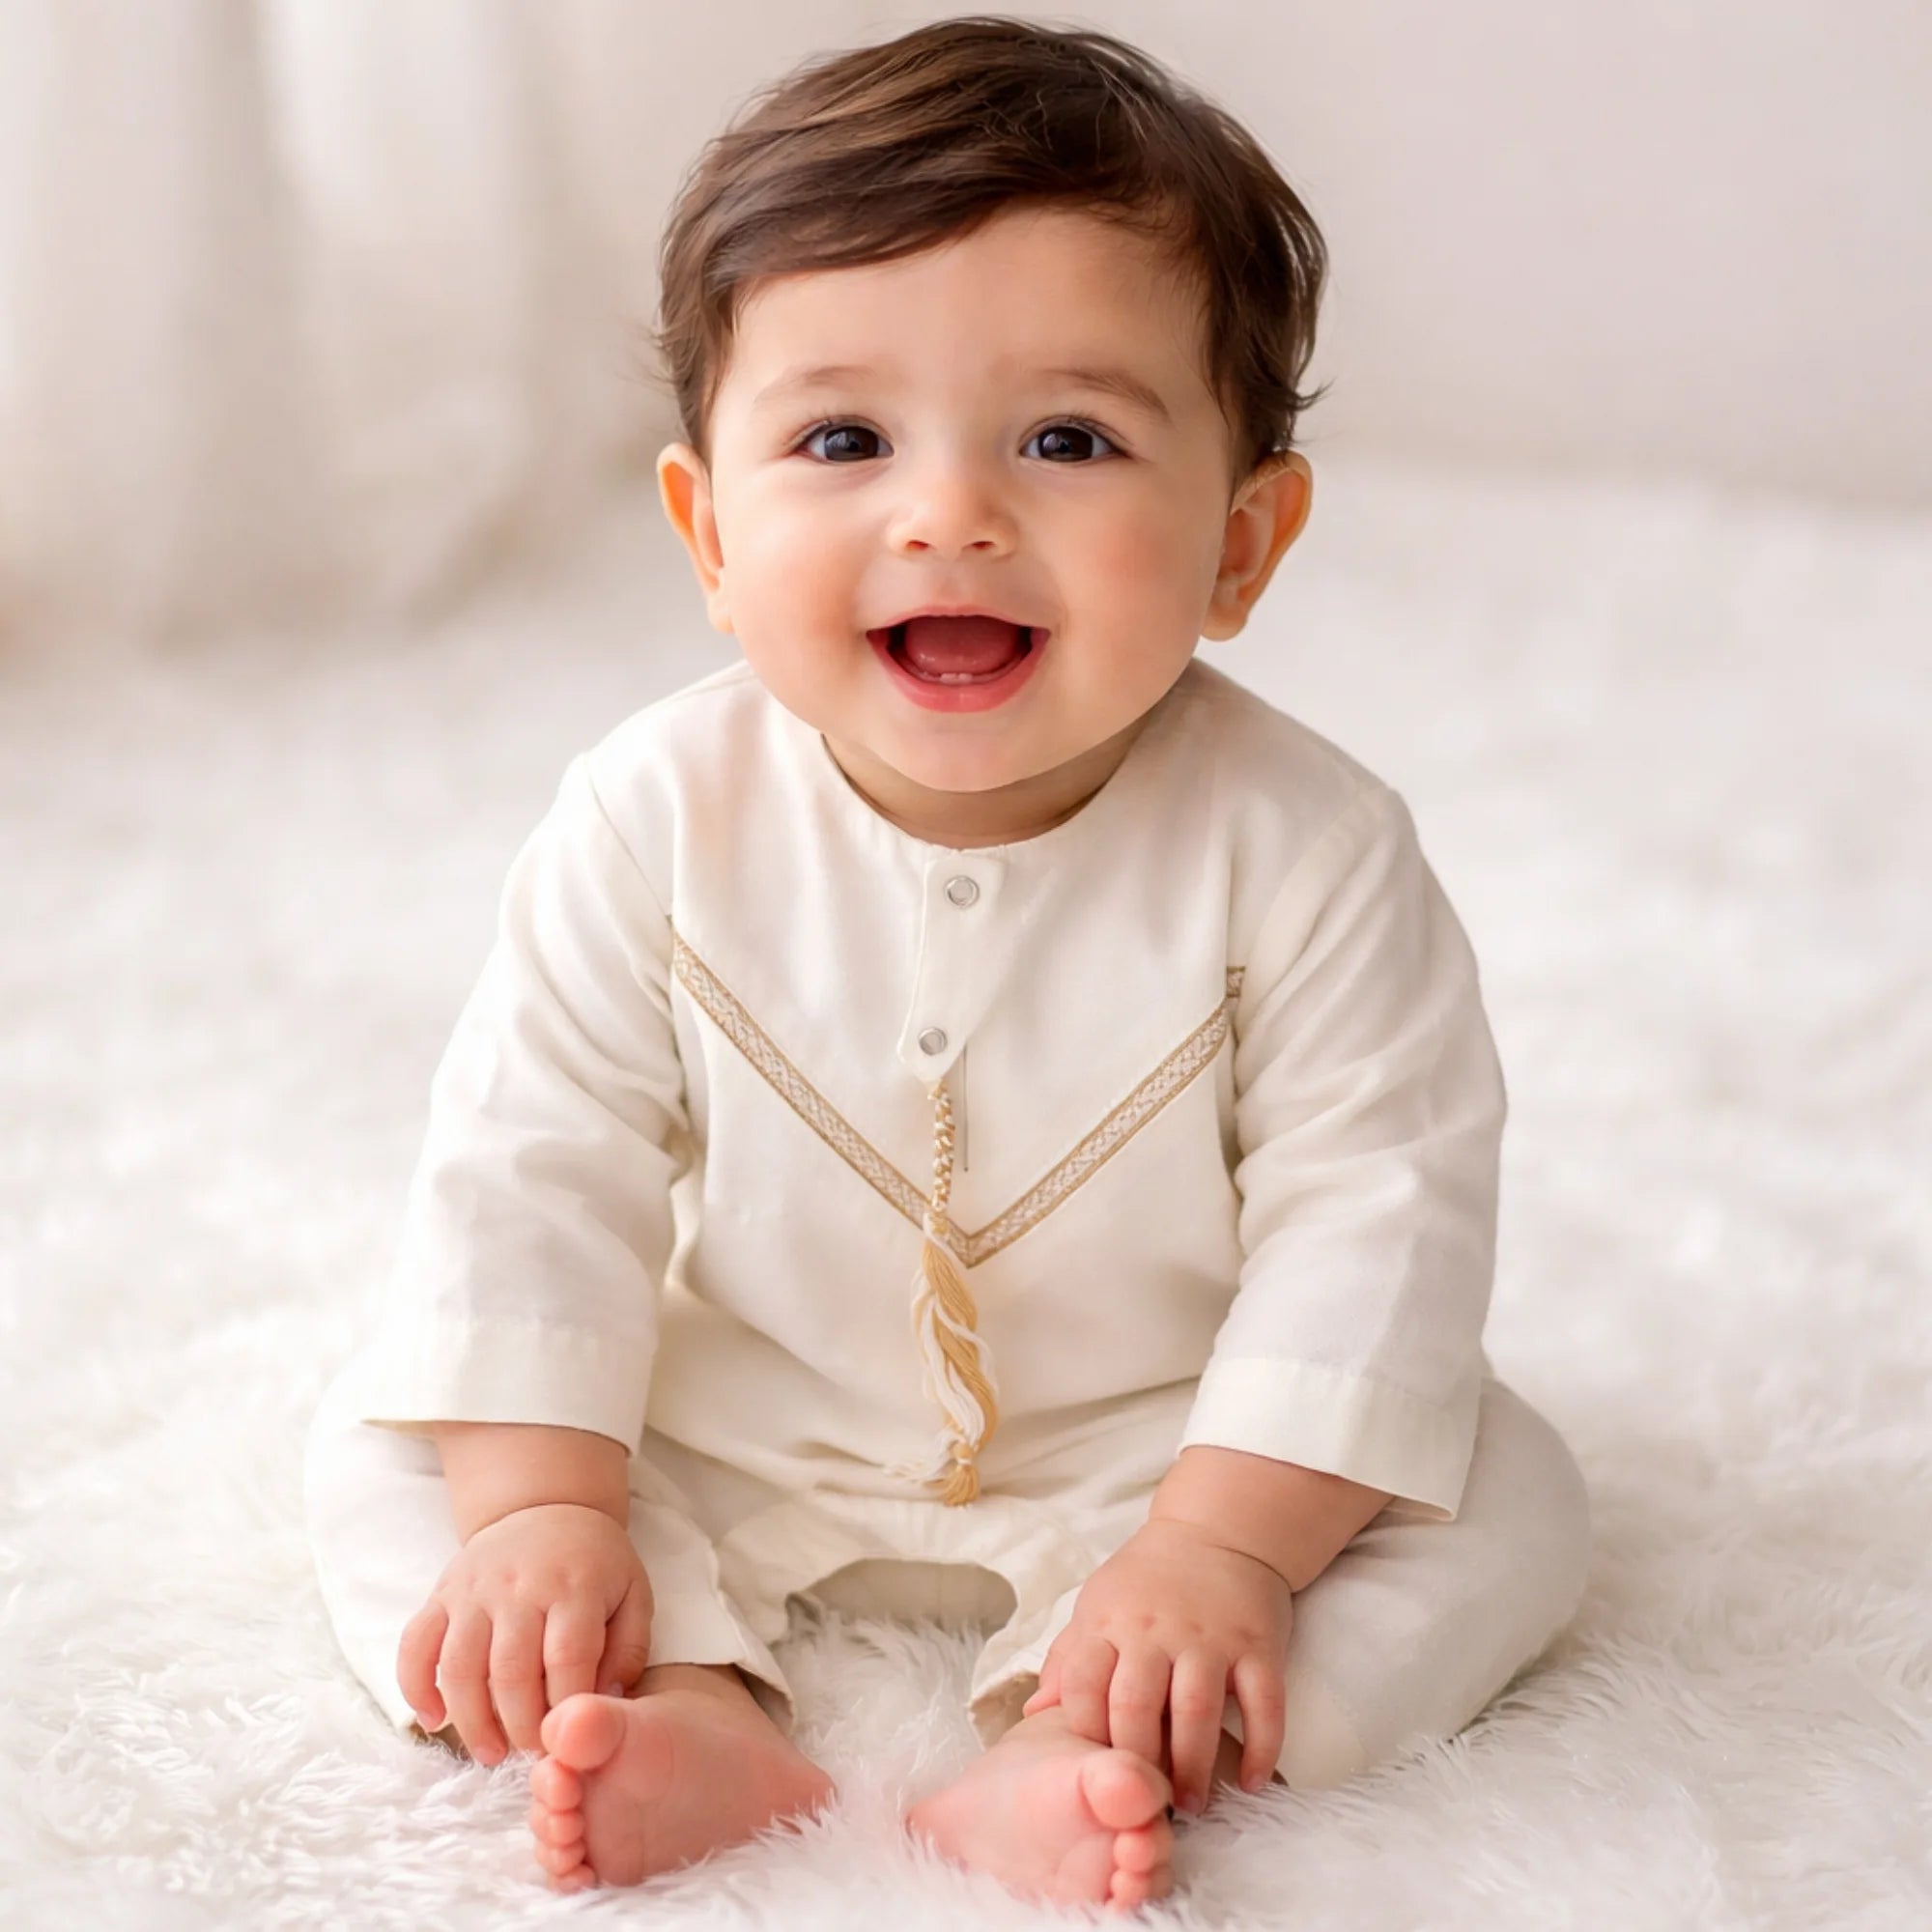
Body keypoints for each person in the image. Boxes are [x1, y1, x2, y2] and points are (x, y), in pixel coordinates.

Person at [303, 14, 1591, 1912]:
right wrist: (553, 1512)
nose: (948, 511)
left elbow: (1372, 1215)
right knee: (394, 1449)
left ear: (1242, 544)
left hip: (1167, 1430)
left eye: (1067, 439)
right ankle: (682, 1690)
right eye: (841, 438)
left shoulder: (1312, 850)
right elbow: (534, 1167)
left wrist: (1223, 1546)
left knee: (1513, 1507)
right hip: (736, 1403)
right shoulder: (644, 812)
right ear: (708, 531)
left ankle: (1081, 1733)